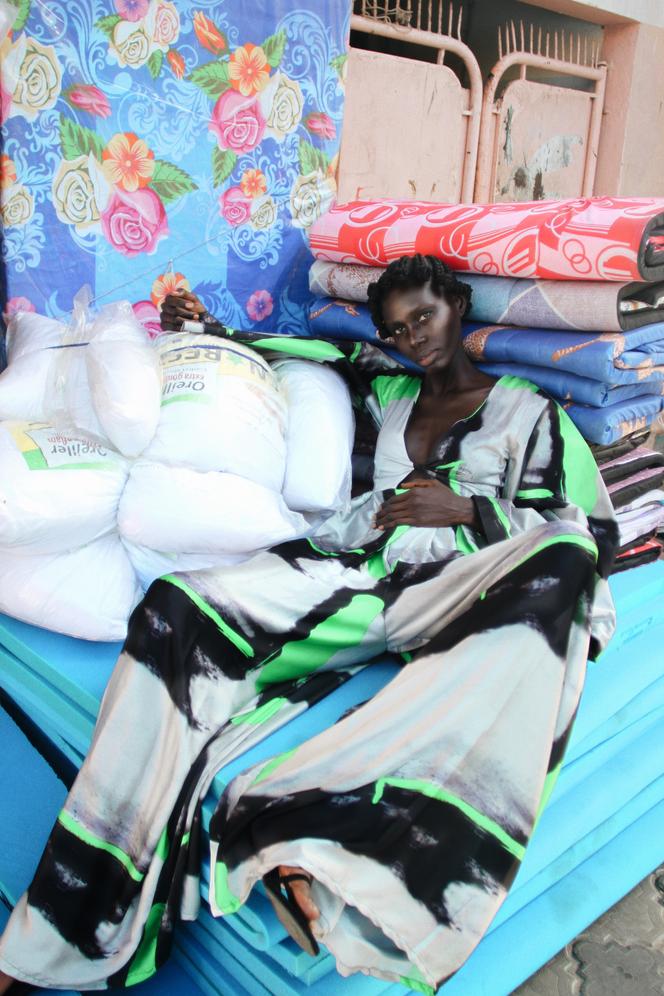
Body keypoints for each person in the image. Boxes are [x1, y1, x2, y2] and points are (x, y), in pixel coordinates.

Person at [0, 255, 618, 994]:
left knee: (568, 558)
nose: (414, 337)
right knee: (178, 606)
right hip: (356, 573)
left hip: (461, 581)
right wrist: (210, 334)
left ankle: (300, 816)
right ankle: (66, 927)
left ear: (457, 305)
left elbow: (589, 532)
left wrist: (471, 509)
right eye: (396, 329)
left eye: (425, 316)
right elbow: (302, 362)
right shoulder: (382, 393)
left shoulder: (528, 411)